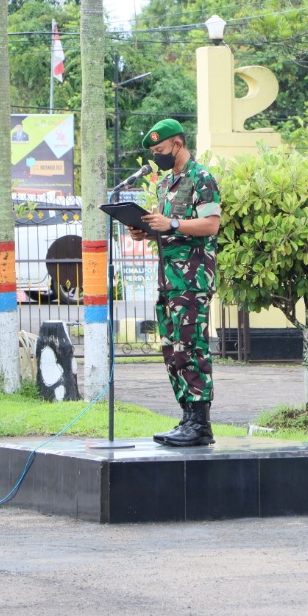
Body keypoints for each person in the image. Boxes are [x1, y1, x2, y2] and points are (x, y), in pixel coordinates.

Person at [127, 119, 222, 448]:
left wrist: (172, 222)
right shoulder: (165, 184)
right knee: (173, 349)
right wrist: (147, 229)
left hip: (193, 279)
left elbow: (210, 225)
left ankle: (201, 423)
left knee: (192, 346)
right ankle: (187, 415)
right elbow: (167, 228)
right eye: (154, 152)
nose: (157, 156)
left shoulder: (201, 178)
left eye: (161, 150)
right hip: (169, 279)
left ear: (178, 144)